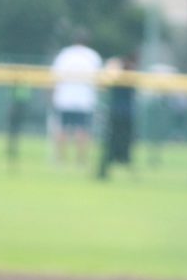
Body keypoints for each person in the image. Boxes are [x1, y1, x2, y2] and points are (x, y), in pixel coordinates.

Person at [50, 31, 102, 166]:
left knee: (62, 129)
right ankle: (81, 160)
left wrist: (52, 96)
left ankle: (60, 159)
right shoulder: (92, 56)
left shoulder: (65, 54)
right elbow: (98, 80)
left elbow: (55, 77)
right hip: (85, 99)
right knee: (82, 129)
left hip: (64, 98)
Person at [97, 53, 138, 180]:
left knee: (123, 144)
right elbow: (103, 85)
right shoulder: (117, 75)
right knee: (113, 143)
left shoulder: (130, 76)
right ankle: (105, 170)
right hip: (118, 114)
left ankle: (122, 165)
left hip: (124, 115)